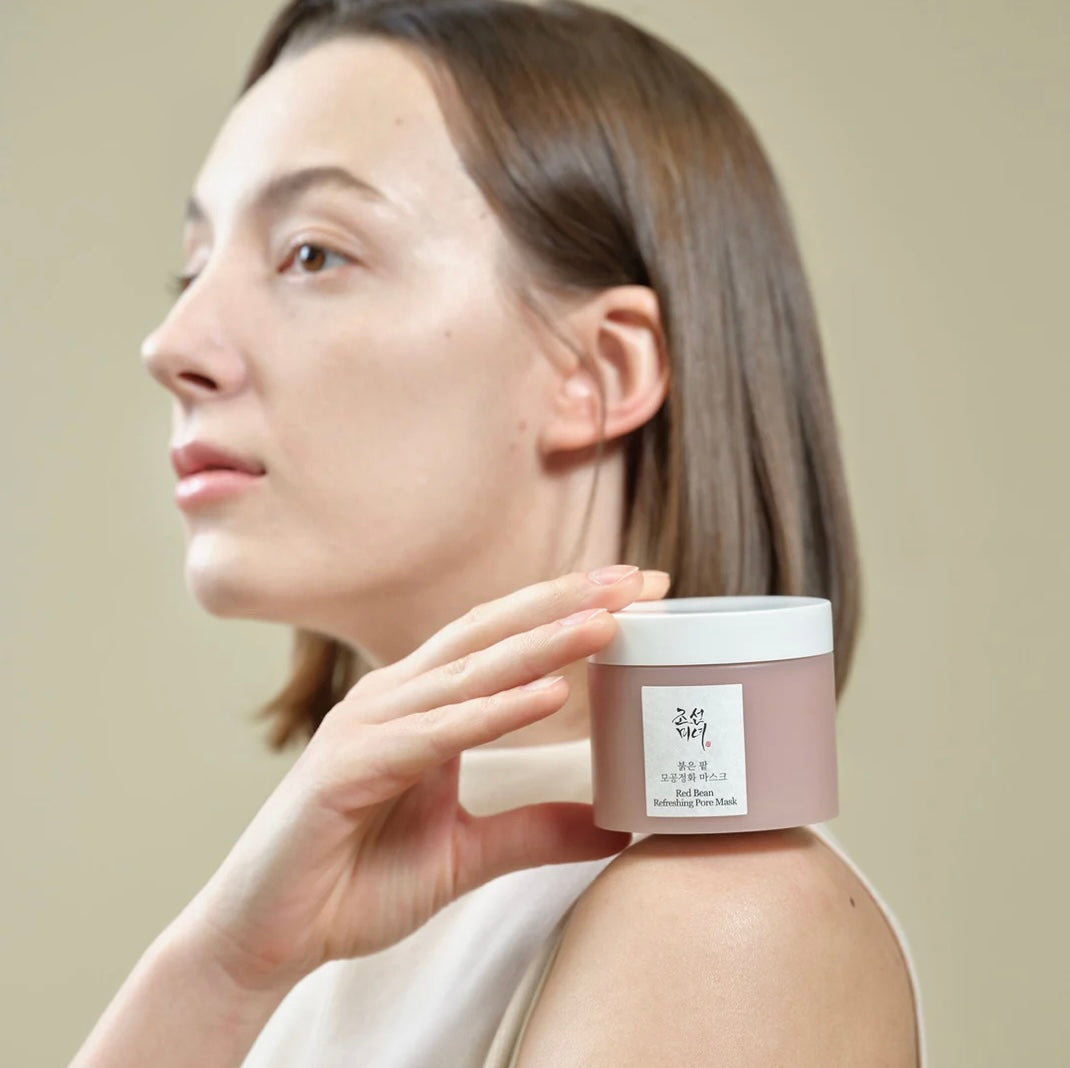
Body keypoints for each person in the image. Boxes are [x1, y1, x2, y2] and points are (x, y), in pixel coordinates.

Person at [72, 0, 925, 1064]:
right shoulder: (325, 927)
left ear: (599, 370)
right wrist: (220, 970)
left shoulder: (721, 925)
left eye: (311, 253)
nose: (171, 344)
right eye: (192, 267)